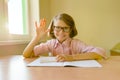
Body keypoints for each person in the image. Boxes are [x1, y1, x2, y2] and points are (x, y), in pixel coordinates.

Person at [23, 13, 107, 62]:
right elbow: (26, 54)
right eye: (58, 27)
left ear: (71, 29)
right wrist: (37, 37)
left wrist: (71, 57)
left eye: (66, 28)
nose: (61, 32)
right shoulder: (51, 44)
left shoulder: (76, 44)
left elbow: (100, 52)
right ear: (53, 28)